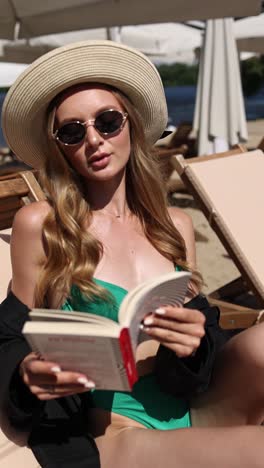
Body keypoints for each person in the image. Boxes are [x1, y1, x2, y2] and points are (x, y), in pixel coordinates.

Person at [1, 40, 264, 468]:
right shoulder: (43, 225)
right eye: (72, 131)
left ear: (130, 126)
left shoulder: (173, 224)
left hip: (190, 405)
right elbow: (10, 336)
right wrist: (26, 375)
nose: (93, 140)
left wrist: (193, 342)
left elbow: (203, 347)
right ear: (59, 147)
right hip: (117, 429)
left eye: (107, 122)